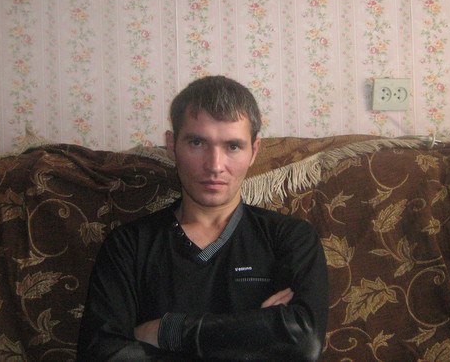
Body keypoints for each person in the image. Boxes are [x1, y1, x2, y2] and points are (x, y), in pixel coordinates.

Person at [77, 75, 328, 361]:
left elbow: (304, 342)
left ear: (254, 151)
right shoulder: (128, 245)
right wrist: (255, 335)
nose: (214, 165)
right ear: (172, 145)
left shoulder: (291, 239)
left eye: (233, 146)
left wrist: (167, 331)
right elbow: (102, 354)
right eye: (197, 142)